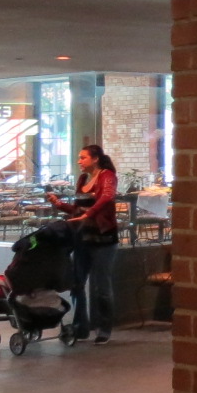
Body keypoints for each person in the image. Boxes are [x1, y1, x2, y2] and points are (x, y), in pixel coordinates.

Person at [47, 145, 119, 343]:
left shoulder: (107, 176)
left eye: (83, 157)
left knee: (101, 286)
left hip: (103, 239)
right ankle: (81, 327)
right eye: (79, 158)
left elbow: (107, 197)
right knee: (77, 284)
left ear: (95, 159)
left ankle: (104, 328)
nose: (79, 161)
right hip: (82, 238)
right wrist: (59, 204)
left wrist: (89, 214)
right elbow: (77, 210)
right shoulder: (82, 179)